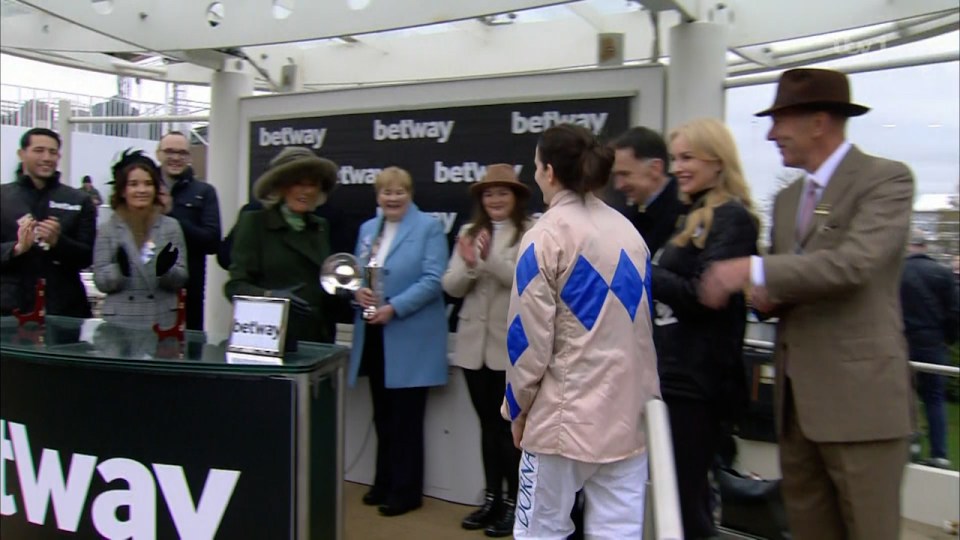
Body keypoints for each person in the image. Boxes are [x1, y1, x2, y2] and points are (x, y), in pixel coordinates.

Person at [700, 68, 915, 540]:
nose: (772, 133)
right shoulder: (788, 198)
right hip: (797, 411)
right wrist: (766, 297)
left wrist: (753, 270)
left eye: (781, 120)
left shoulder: (886, 181)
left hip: (861, 409)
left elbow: (853, 265)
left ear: (820, 122)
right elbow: (795, 280)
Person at [504, 124, 660, 539]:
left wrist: (517, 409)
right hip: (627, 418)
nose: (535, 173)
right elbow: (642, 334)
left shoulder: (544, 236)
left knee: (539, 533)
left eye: (536, 165)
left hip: (560, 421)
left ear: (549, 172)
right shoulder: (631, 234)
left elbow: (528, 342)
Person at [650, 118, 758, 538]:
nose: (678, 167)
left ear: (718, 161)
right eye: (676, 158)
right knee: (677, 499)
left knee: (686, 502)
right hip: (676, 376)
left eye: (687, 157)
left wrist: (644, 273)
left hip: (697, 381)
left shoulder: (733, 219)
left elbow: (703, 296)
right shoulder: (696, 215)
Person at [348, 167, 449, 517]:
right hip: (375, 334)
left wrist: (394, 308)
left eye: (399, 191)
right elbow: (360, 275)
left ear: (410, 193)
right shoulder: (367, 229)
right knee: (383, 415)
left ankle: (406, 491)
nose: (392, 198)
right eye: (385, 192)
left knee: (406, 418)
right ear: (377, 196)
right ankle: (384, 481)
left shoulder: (429, 228)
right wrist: (357, 292)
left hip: (410, 336)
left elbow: (435, 279)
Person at [442, 163, 532, 537]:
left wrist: (486, 261)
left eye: (503, 192)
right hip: (471, 349)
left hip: (508, 350)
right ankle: (492, 499)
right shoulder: (468, 232)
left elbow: (522, 281)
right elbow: (451, 287)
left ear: (515, 198)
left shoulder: (530, 232)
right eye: (489, 193)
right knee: (486, 427)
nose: (495, 199)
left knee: (509, 429)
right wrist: (468, 266)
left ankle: (514, 505)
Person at [224, 146, 339, 345]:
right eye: (297, 183)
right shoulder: (254, 222)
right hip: (270, 337)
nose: (306, 191)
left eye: (312, 184)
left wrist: (341, 291)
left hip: (316, 339)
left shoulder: (320, 226)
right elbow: (234, 286)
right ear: (280, 187)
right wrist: (271, 297)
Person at [1, 128, 96, 318]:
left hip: (63, 308)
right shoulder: (3, 197)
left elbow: (88, 256)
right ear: (22, 154)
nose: (47, 157)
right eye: (39, 150)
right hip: (10, 308)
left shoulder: (79, 200)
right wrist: (16, 249)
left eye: (53, 152)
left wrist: (58, 242)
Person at [93, 150, 188, 328]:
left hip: (161, 318)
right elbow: (100, 281)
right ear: (122, 191)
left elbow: (181, 277)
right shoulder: (108, 229)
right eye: (134, 184)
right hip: (120, 321)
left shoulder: (171, 227)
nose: (141, 190)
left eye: (148, 184)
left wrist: (166, 270)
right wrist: (118, 269)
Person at [900, 234, 959, 469]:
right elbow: (955, 312)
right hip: (933, 344)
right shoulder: (942, 273)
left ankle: (909, 445)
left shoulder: (897, 273)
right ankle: (939, 454)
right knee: (935, 399)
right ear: (925, 247)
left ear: (909, 246)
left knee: (904, 397)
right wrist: (947, 339)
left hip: (901, 341)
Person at [156, 131, 221, 331]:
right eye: (169, 151)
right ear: (158, 154)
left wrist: (172, 214)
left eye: (182, 153)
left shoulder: (204, 192)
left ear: (190, 157)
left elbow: (212, 242)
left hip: (188, 291)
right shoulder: (144, 188)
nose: (176, 157)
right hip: (148, 288)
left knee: (190, 351)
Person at [611, 126, 686, 256]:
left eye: (625, 174)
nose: (618, 185)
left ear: (655, 169)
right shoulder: (628, 215)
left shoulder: (687, 212)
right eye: (616, 176)